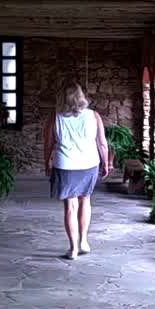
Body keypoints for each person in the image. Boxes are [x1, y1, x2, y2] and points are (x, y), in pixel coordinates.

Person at [44, 80, 111, 260]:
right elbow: (102, 143)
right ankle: (84, 241)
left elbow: (48, 143)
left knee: (70, 206)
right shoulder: (93, 116)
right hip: (89, 164)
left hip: (65, 165)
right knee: (85, 200)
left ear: (62, 97)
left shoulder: (55, 117)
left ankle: (73, 248)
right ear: (81, 96)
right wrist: (106, 163)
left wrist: (46, 162)